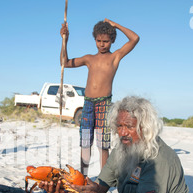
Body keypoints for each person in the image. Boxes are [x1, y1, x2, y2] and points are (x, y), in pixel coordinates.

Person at [40, 96, 193, 193]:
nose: (122, 133)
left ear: (146, 127)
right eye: (119, 126)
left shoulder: (158, 160)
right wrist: (65, 192)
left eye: (129, 127)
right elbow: (97, 189)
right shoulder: (122, 149)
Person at [60, 18, 140, 175]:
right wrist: (65, 40)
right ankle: (83, 176)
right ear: (94, 39)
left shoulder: (115, 57)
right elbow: (65, 62)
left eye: (106, 41)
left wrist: (115, 24)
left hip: (104, 104)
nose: (102, 44)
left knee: (103, 145)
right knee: (85, 142)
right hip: (88, 103)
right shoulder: (89, 58)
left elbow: (135, 38)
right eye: (99, 41)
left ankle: (103, 180)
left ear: (112, 41)